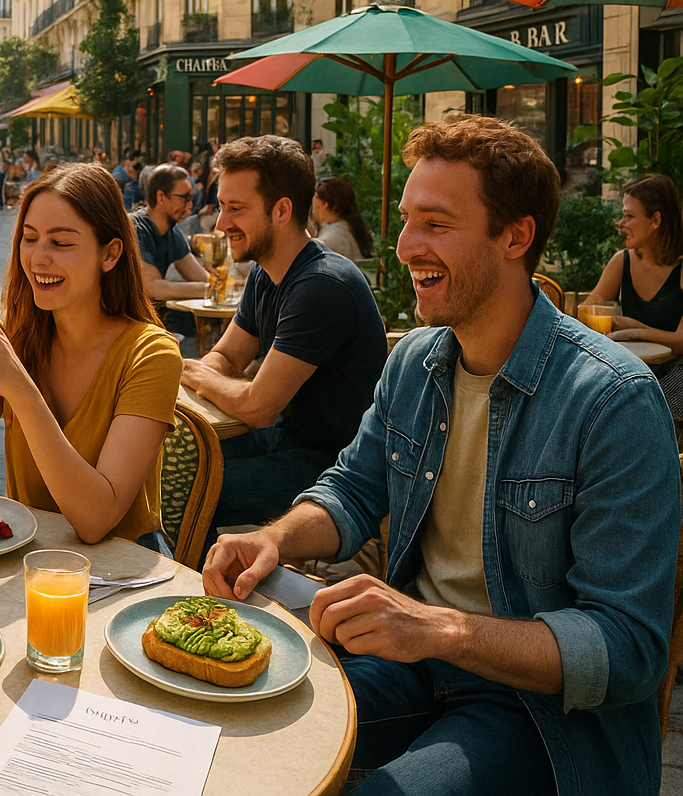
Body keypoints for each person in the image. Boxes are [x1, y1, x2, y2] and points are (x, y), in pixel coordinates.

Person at [205, 115, 680, 796]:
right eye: (405, 220)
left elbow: (628, 650)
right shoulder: (418, 361)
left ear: (516, 236)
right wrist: (274, 540)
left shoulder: (613, 401)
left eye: (436, 223)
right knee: (233, 736)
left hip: (540, 715)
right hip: (415, 662)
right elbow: (354, 489)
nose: (405, 246)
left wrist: (441, 628)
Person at [0, 162, 181, 547]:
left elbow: (96, 520)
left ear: (109, 254)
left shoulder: (152, 353)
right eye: (29, 238)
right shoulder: (19, 340)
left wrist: (21, 390)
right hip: (30, 564)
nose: (38, 258)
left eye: (61, 243)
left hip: (123, 574)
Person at [179, 135, 385, 532]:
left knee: (184, 489)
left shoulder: (323, 285)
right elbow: (226, 357)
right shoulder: (265, 272)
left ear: (282, 210)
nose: (221, 224)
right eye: (221, 207)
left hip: (337, 466)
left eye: (235, 209)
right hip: (284, 440)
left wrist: (196, 373)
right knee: (165, 458)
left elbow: (258, 408)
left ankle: (203, 591)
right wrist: (207, 374)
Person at [586, 174, 683, 420]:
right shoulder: (622, 262)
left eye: (629, 216)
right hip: (628, 370)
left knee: (651, 411)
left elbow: (681, 342)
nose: (621, 223)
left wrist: (632, 329)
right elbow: (590, 308)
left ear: (656, 220)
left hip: (675, 373)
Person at [132, 164, 208, 302]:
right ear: (161, 197)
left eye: (191, 198)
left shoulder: (172, 232)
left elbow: (200, 276)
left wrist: (235, 285)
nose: (190, 205)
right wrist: (212, 289)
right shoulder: (136, 229)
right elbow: (153, 288)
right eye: (184, 197)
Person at [312, 176, 375, 264]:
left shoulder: (335, 237)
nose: (314, 210)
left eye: (316, 206)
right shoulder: (347, 228)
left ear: (327, 205)